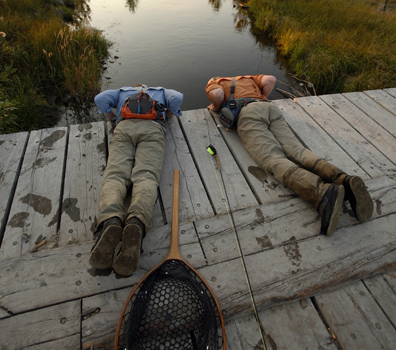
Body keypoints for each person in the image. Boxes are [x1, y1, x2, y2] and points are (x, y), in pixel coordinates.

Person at [206, 75, 373, 237]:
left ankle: (322, 194)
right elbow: (270, 79)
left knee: (272, 158)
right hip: (269, 108)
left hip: (248, 113)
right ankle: (342, 179)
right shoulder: (249, 78)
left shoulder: (215, 81)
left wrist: (215, 107)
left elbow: (217, 95)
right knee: (296, 150)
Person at [90, 84, 183, 276]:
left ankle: (111, 221)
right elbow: (177, 97)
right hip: (152, 128)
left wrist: (112, 118)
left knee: (115, 175)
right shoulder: (163, 92)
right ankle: (136, 222)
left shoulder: (121, 92)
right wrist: (171, 114)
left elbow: (100, 99)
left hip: (123, 128)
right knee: (146, 175)